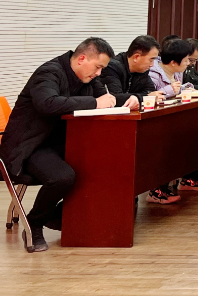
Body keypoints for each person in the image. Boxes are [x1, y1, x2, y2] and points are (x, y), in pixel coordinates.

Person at [0, 38, 134, 252]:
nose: (99, 73)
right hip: (30, 146)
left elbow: (106, 98)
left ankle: (58, 216)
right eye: (98, 67)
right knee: (62, 177)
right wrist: (94, 103)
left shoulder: (88, 77)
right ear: (82, 59)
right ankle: (34, 223)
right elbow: (47, 103)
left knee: (104, 168)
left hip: (64, 143)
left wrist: (132, 99)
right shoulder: (49, 73)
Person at [146, 39, 197, 204]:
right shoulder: (153, 74)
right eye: (186, 60)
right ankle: (156, 189)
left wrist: (186, 88)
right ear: (174, 62)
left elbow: (177, 88)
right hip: (154, 124)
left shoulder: (177, 72)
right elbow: (150, 97)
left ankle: (184, 179)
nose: (188, 63)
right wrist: (170, 90)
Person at [102, 35, 160, 101]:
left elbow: (151, 91)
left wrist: (146, 96)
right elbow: (115, 98)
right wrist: (146, 97)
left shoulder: (142, 70)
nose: (152, 65)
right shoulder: (112, 67)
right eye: (151, 60)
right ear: (136, 57)